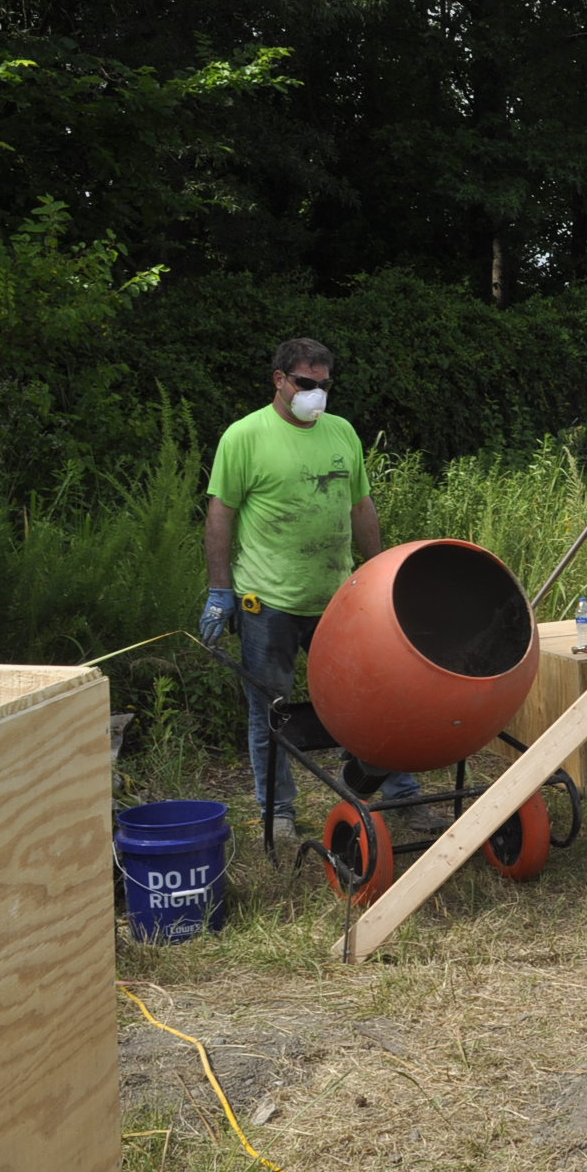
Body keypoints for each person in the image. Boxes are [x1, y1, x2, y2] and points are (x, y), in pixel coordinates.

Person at [199, 338, 447, 843]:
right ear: (279, 380)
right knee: (270, 712)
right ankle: (279, 812)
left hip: (339, 599)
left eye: (324, 384)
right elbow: (221, 514)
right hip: (267, 602)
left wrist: (380, 576)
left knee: (374, 697)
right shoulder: (244, 437)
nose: (315, 393)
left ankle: (400, 794)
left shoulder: (342, 433)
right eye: (305, 383)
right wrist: (220, 591)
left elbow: (360, 506)